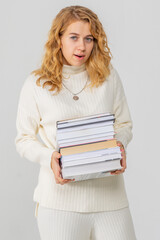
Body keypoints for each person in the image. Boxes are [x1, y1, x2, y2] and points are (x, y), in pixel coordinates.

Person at [15, 5, 137, 240]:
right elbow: (24, 139)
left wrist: (119, 146)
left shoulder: (108, 76)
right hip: (59, 204)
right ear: (58, 38)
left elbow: (124, 124)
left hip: (111, 199)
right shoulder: (37, 83)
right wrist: (49, 157)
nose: (82, 46)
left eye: (89, 38)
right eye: (74, 37)